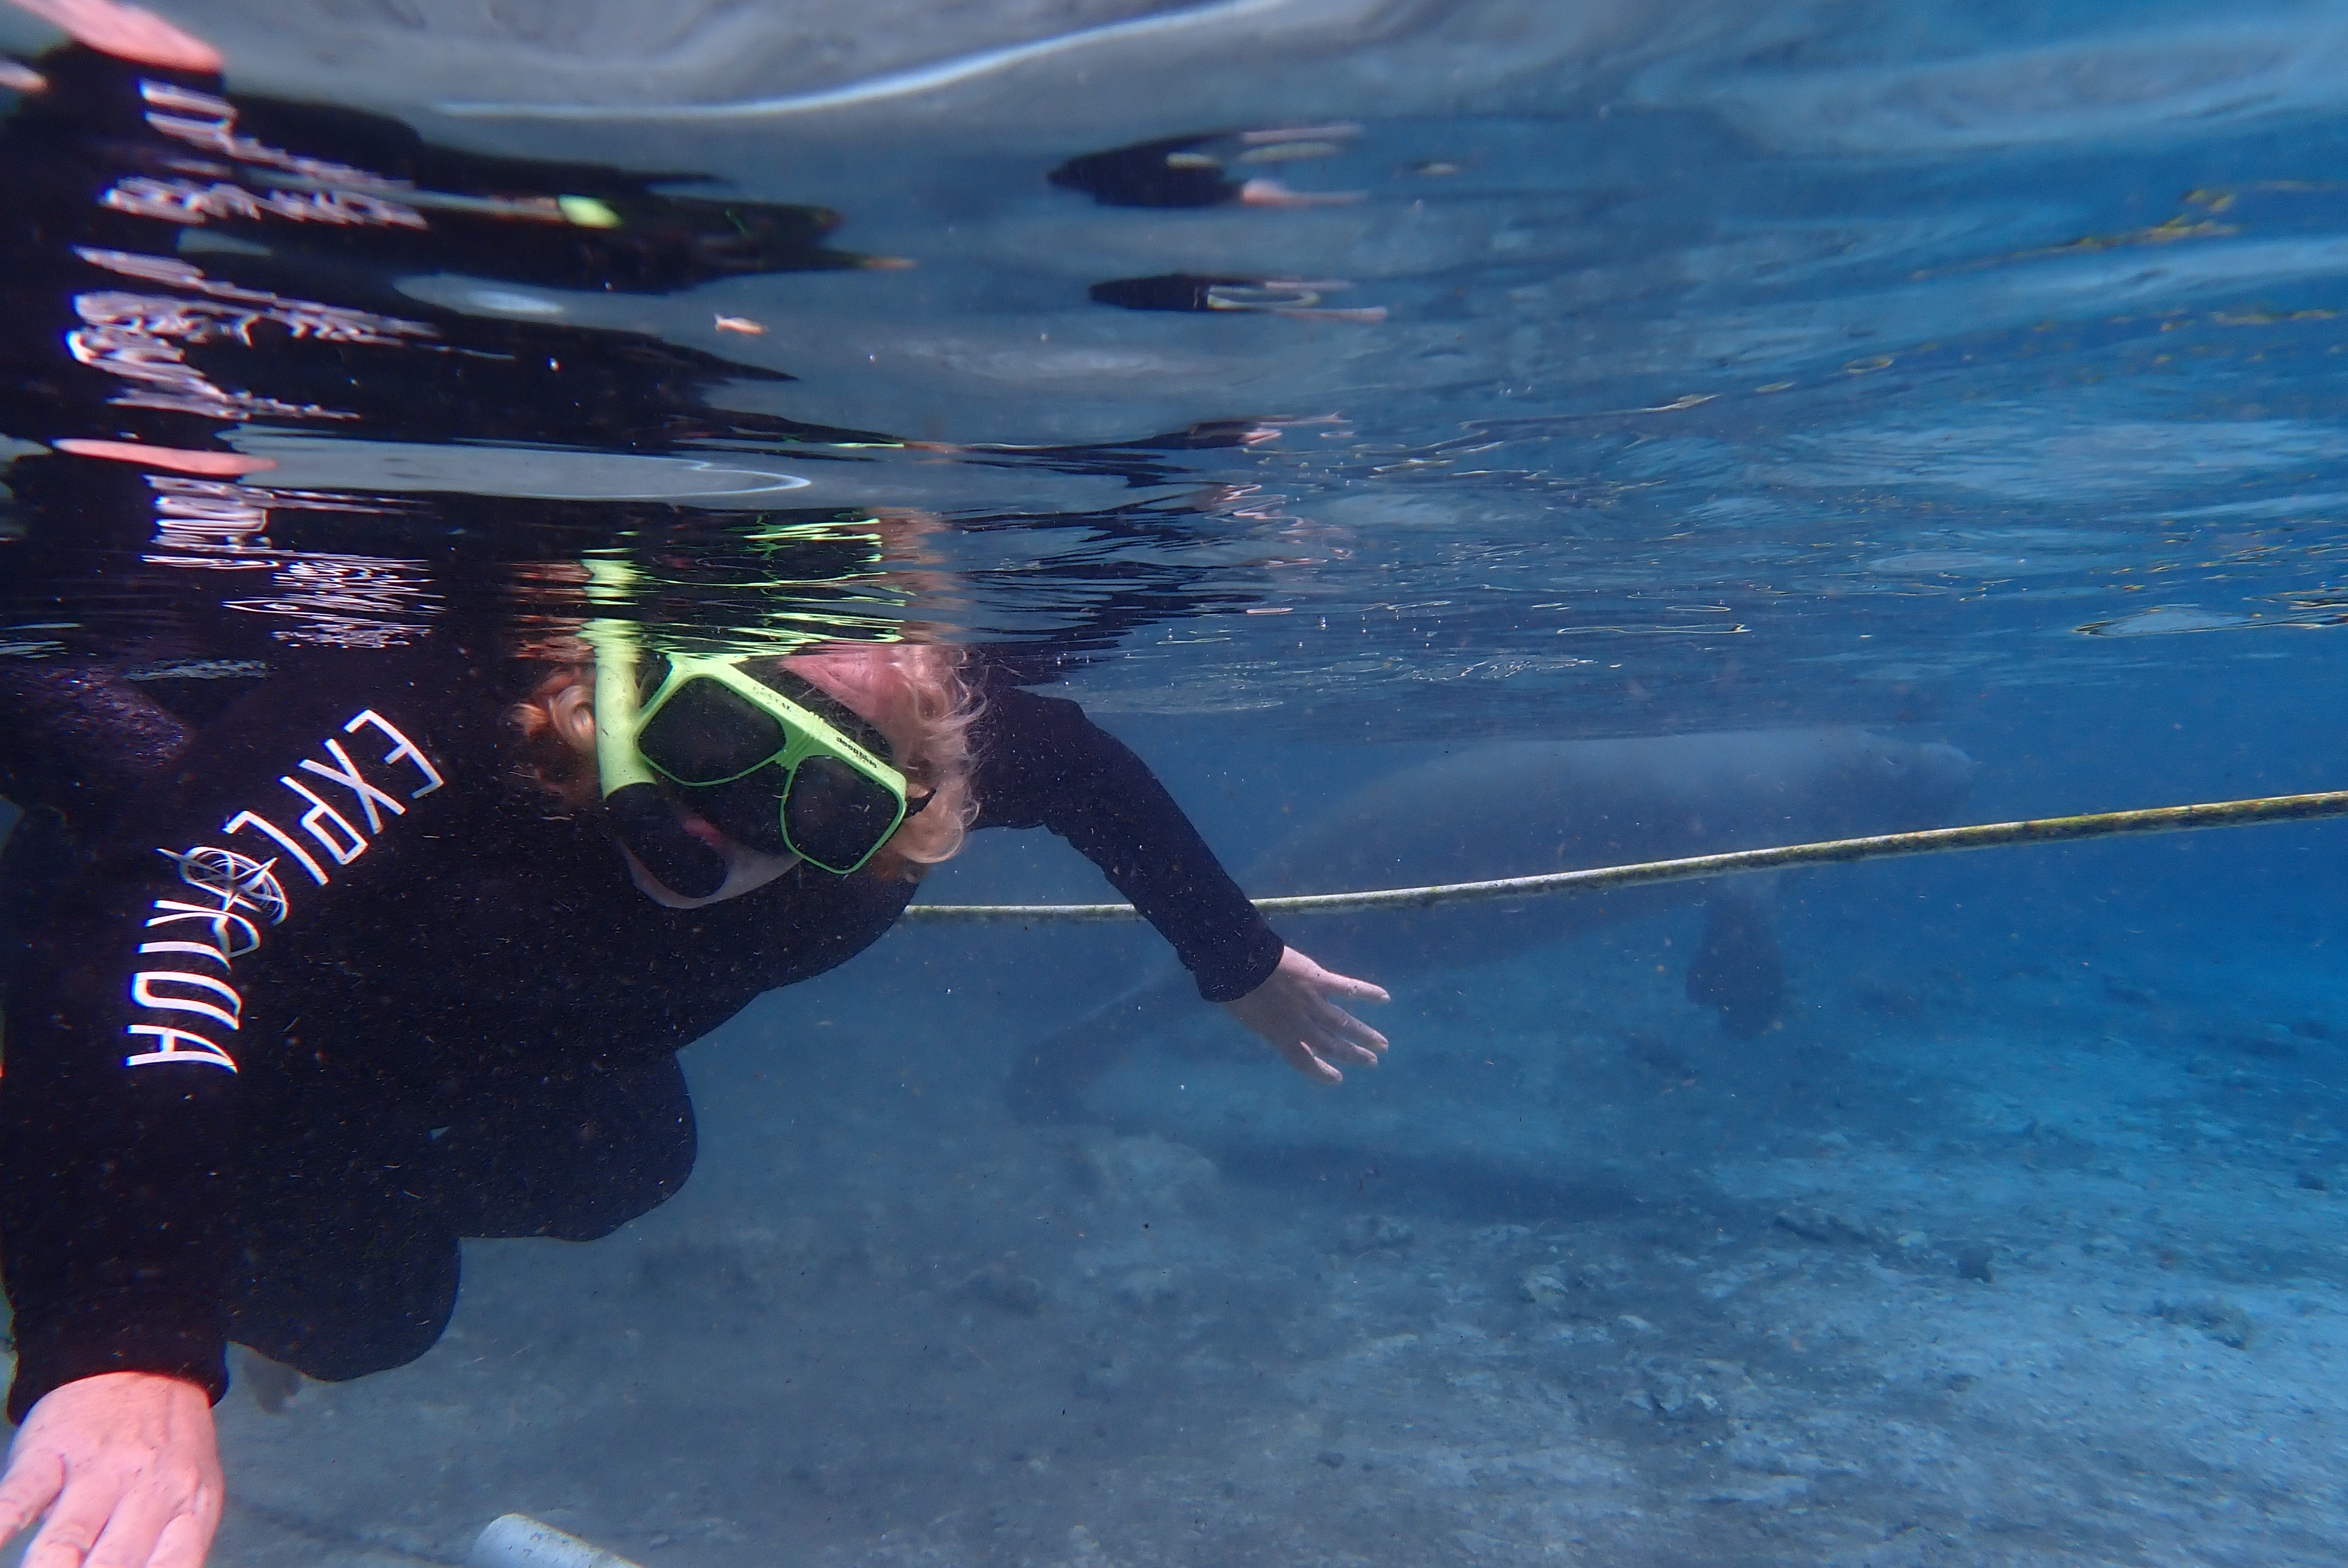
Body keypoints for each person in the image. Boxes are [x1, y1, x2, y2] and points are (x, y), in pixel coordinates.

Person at [0, 627, 1390, 1568]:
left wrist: (1237, 959)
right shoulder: (460, 704)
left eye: (821, 806)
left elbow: (1083, 771)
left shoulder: (932, 747)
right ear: (614, 695)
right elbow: (166, 918)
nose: (720, 822)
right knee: (370, 1315)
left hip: (476, 1043)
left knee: (625, 1162)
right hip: (260, 1019)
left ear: (905, 810)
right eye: (709, 733)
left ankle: (251, 1242)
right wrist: (127, 1336)